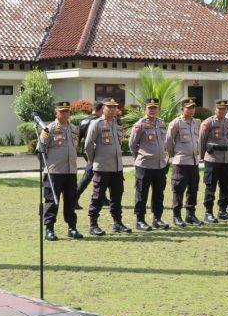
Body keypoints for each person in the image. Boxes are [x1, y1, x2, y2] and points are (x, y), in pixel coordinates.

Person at [85, 98, 131, 235]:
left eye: (114, 107)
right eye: (109, 107)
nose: (112, 109)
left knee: (117, 196)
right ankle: (93, 224)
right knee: (98, 196)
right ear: (103, 108)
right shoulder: (96, 123)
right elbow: (88, 145)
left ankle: (117, 223)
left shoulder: (117, 123)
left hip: (117, 167)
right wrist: (93, 160)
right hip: (102, 167)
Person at [39, 101, 84, 241]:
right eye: (62, 111)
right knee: (52, 201)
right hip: (54, 172)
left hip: (70, 171)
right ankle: (49, 229)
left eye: (67, 111)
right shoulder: (48, 129)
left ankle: (72, 228)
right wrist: (46, 167)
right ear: (56, 113)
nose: (65, 114)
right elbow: (40, 151)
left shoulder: (74, 129)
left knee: (70, 201)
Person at [129, 98, 170, 231]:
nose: (152, 110)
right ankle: (140, 220)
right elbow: (132, 144)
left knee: (159, 193)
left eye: (155, 108)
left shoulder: (161, 123)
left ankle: (157, 219)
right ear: (145, 109)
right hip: (144, 165)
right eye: (150, 108)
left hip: (160, 165)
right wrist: (140, 158)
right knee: (142, 193)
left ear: (158, 109)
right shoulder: (140, 124)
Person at [165, 98, 203, 227]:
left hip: (194, 162)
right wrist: (175, 154)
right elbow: (168, 141)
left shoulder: (196, 123)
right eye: (188, 107)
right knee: (179, 189)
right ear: (182, 109)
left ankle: (190, 215)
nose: (191, 110)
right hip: (181, 162)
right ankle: (177, 216)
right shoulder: (176, 123)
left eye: (193, 107)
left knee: (193, 189)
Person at [199, 99, 228, 223]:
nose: (222, 110)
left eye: (224, 108)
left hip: (226, 159)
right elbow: (202, 140)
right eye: (219, 108)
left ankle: (222, 211)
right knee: (211, 187)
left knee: (226, 186)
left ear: (227, 109)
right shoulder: (208, 122)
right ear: (215, 109)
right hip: (212, 159)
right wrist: (202, 157)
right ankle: (208, 213)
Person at [75, 102, 105, 209]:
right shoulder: (99, 121)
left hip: (87, 151)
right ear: (101, 109)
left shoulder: (83, 121)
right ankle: (74, 198)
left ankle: (103, 198)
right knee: (88, 176)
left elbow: (78, 139)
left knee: (102, 174)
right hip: (97, 151)